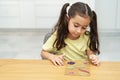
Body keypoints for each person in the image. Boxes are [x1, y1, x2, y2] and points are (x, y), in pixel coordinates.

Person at [41, 2, 100, 66]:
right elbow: (43, 52)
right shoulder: (58, 35)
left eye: (84, 27)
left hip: (81, 69)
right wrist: (52, 57)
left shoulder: (87, 37)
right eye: (76, 25)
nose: (79, 31)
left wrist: (93, 58)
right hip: (63, 69)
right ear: (67, 19)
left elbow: (90, 55)